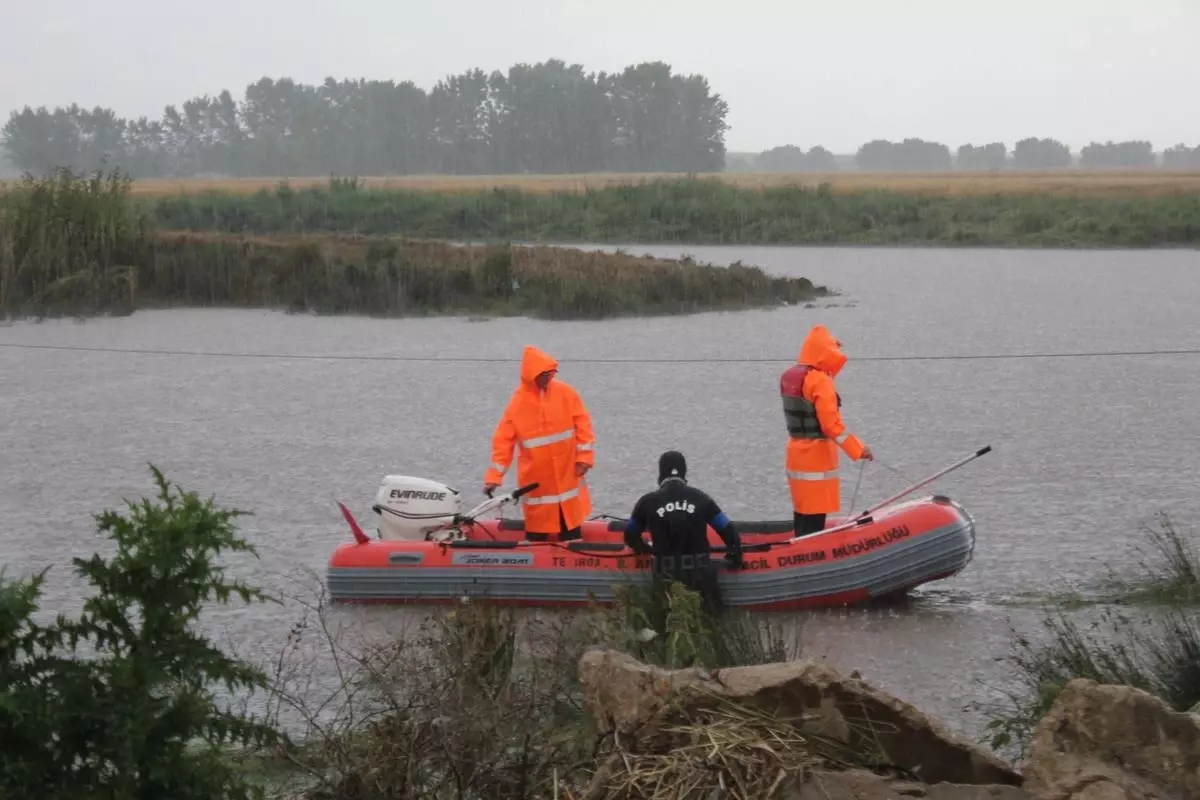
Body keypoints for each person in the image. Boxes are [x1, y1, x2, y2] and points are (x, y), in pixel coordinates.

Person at [484, 345, 595, 542]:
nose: (548, 378)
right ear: (531, 376)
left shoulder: (566, 393)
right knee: (537, 534)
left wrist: (584, 458)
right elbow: (503, 442)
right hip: (538, 484)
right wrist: (494, 477)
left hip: (567, 477)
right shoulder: (517, 405)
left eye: (550, 374)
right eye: (544, 375)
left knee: (571, 527)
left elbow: (584, 427)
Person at [780, 324, 873, 538]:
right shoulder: (820, 381)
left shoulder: (789, 376)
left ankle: (797, 556)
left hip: (795, 456)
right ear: (825, 351)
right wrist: (859, 449)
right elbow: (831, 425)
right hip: (816, 460)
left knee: (802, 517)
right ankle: (809, 562)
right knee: (814, 523)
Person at [623, 451, 744, 612]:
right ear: (684, 472)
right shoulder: (701, 498)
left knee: (668, 626)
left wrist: (643, 547)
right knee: (711, 625)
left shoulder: (647, 502)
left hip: (667, 576)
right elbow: (729, 531)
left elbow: (630, 535)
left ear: (660, 474)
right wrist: (735, 557)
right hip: (701, 574)